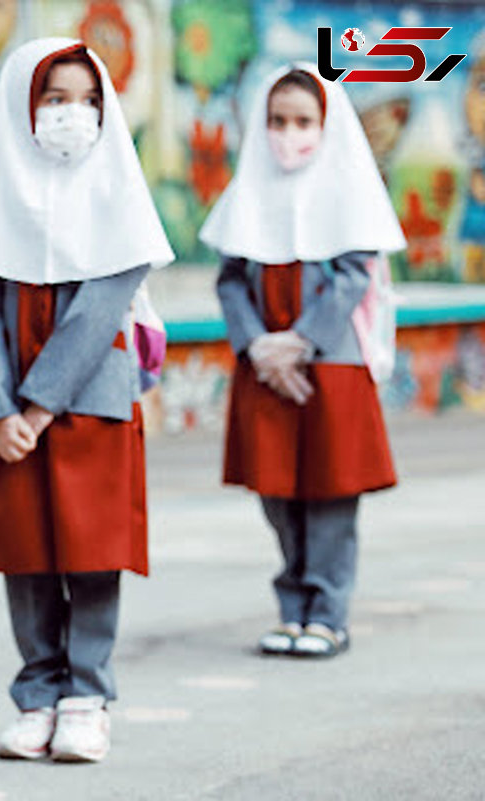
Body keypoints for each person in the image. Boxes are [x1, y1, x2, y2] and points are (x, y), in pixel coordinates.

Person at [0, 38, 173, 763]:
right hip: (9, 411)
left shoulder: (119, 193)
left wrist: (38, 405)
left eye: (87, 100)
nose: (72, 114)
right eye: (54, 99)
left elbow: (98, 311)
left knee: (91, 551)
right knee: (27, 555)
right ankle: (37, 692)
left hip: (92, 401)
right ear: (23, 107)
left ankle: (87, 694)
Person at [200, 63, 404, 659]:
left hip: (332, 366)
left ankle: (328, 613)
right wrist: (260, 347)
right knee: (277, 493)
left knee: (331, 495)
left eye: (303, 121)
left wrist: (301, 341)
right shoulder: (248, 193)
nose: (289, 134)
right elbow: (232, 279)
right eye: (277, 121)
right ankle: (292, 607)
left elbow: (350, 280)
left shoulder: (350, 193)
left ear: (327, 124)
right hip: (264, 368)